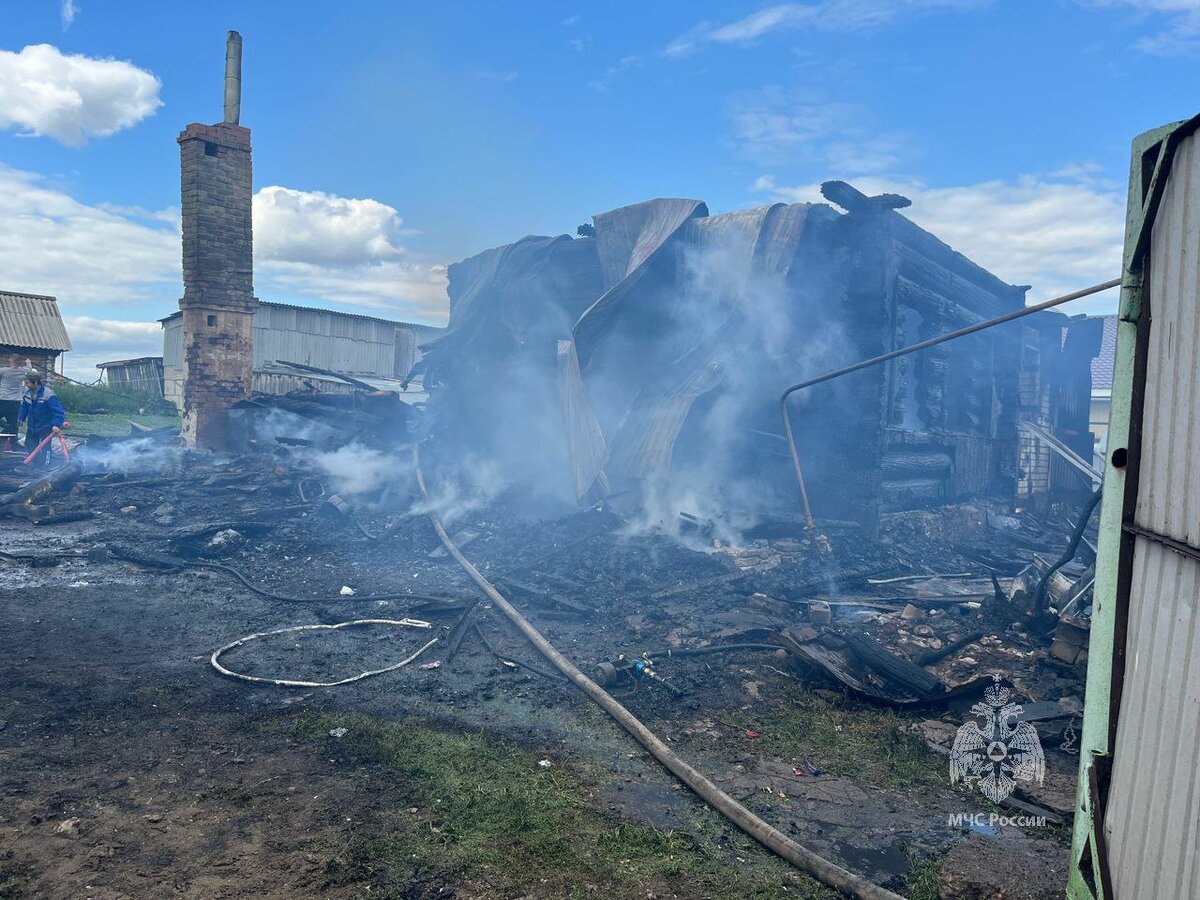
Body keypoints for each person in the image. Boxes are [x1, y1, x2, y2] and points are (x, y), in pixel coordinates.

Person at [17, 371, 65, 468]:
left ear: (35, 382)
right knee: (30, 444)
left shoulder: (48, 395)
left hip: (45, 426)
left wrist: (56, 424)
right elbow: (24, 407)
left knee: (44, 447)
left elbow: (58, 411)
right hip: (32, 425)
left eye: (28, 383)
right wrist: (20, 418)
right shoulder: (28, 393)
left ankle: (45, 466)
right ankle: (34, 464)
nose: (26, 385)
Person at [0, 354, 31, 442]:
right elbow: (30, 371)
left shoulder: (4, 371)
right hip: (15, 402)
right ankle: (14, 445)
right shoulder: (22, 372)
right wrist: (28, 363)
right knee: (14, 425)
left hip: (3, 399)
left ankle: (5, 426)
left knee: (10, 425)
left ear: (11, 360)